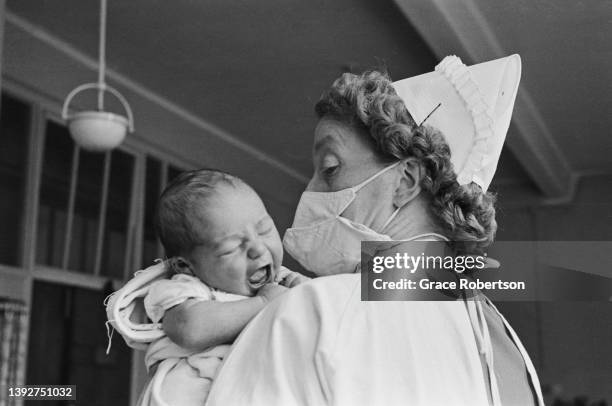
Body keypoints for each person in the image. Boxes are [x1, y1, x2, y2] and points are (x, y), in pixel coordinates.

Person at [206, 55, 545, 406]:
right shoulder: (504, 342)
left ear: (406, 180)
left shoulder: (315, 312)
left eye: (330, 168)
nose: (310, 193)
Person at [106, 169, 308, 406]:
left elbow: (356, 303)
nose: (258, 248)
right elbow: (188, 328)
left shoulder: (284, 281)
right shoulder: (186, 289)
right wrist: (262, 303)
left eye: (264, 230)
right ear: (187, 266)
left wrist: (304, 291)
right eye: (231, 248)